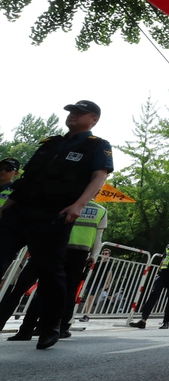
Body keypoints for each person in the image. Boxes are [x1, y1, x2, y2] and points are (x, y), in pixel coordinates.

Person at [0, 100, 113, 350]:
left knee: (51, 273)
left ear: (93, 119)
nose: (72, 116)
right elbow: (27, 180)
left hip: (53, 215)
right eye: (71, 112)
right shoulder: (51, 144)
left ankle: (51, 326)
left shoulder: (97, 146)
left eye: (79, 113)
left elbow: (100, 176)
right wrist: (5, 209)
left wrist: (79, 205)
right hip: (20, 212)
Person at [7, 199, 108, 340]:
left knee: (43, 288)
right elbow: (98, 237)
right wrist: (94, 256)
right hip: (79, 253)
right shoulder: (100, 210)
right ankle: (61, 328)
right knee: (69, 290)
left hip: (54, 248)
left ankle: (28, 329)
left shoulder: (62, 203)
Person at [130, 225, 169, 329]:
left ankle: (166, 322)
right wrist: (159, 269)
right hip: (163, 272)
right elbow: (164, 257)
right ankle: (143, 320)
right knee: (154, 293)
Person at [79, 247, 114, 320]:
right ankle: (86, 313)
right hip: (92, 281)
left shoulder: (109, 263)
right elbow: (92, 272)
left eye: (106, 254)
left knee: (91, 296)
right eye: (103, 253)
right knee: (89, 296)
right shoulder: (97, 263)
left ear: (109, 255)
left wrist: (108, 283)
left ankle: (87, 314)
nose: (104, 255)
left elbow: (110, 273)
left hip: (100, 281)